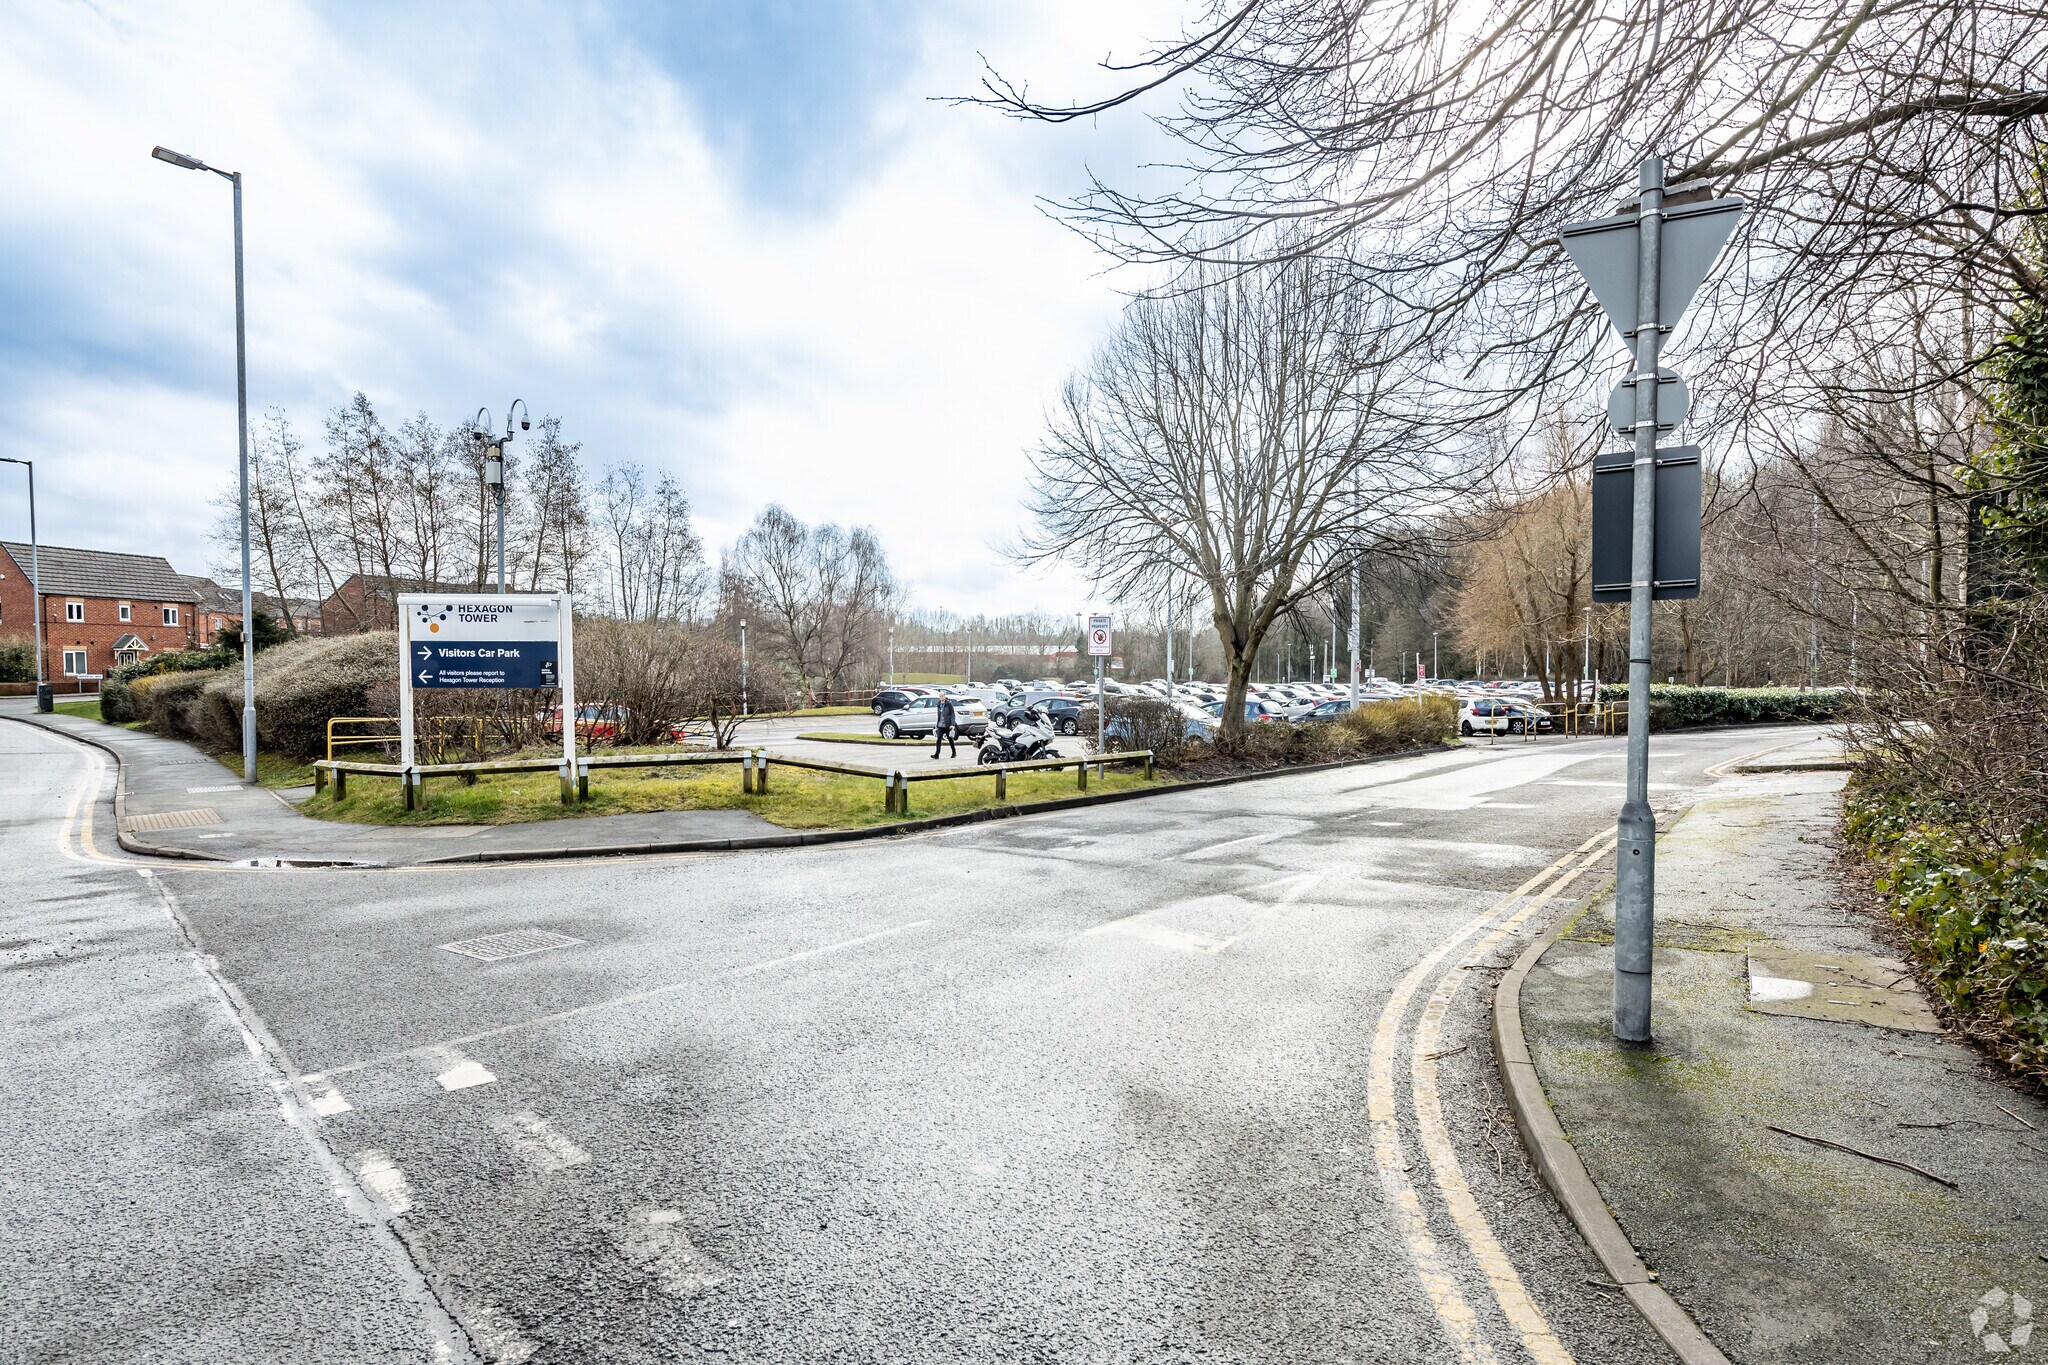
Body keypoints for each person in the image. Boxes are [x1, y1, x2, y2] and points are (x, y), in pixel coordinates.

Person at [932, 694, 958, 759]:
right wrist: (936, 725)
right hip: (940, 725)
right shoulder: (938, 704)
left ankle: (954, 752)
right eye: (940, 696)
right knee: (938, 739)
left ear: (945, 697)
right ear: (939, 697)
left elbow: (952, 714)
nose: (941, 698)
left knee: (950, 739)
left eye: (942, 696)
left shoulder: (949, 704)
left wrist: (952, 724)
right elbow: (938, 715)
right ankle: (937, 754)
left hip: (947, 725)